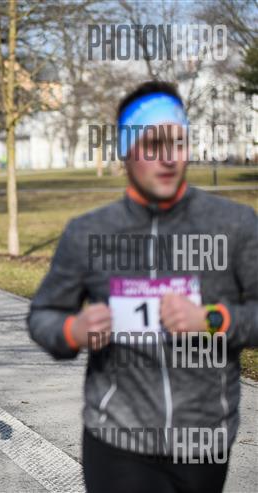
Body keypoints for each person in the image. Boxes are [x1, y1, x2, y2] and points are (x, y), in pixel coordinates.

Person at [27, 81, 258, 493]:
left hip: (203, 441)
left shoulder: (234, 225)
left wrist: (212, 320)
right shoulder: (89, 232)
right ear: (126, 151)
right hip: (117, 440)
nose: (168, 158)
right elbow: (43, 314)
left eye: (178, 142)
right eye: (153, 144)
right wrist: (73, 330)